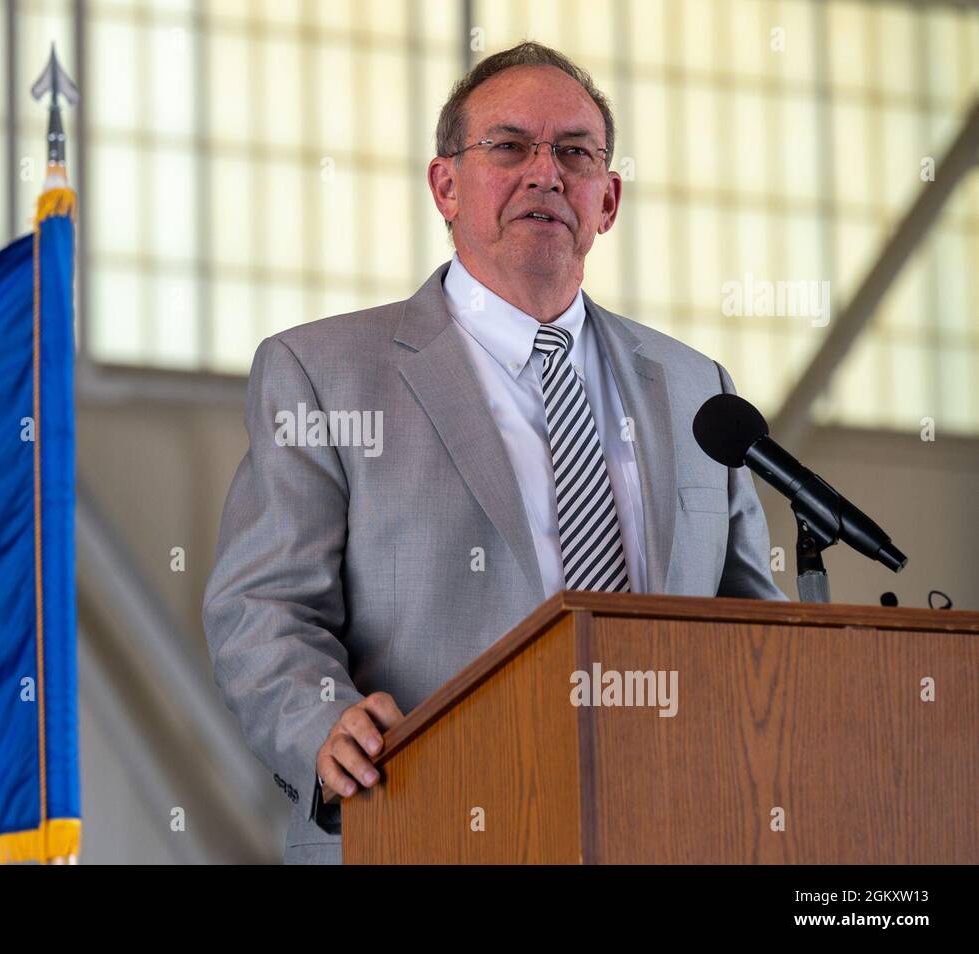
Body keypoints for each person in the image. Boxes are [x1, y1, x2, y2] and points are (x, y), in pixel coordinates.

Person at [203, 41, 785, 865]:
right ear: (446, 186)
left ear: (607, 199)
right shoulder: (324, 374)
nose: (546, 174)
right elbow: (261, 607)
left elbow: (749, 626)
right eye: (510, 147)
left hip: (668, 830)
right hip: (424, 823)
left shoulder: (699, 389)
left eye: (576, 153)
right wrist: (319, 722)